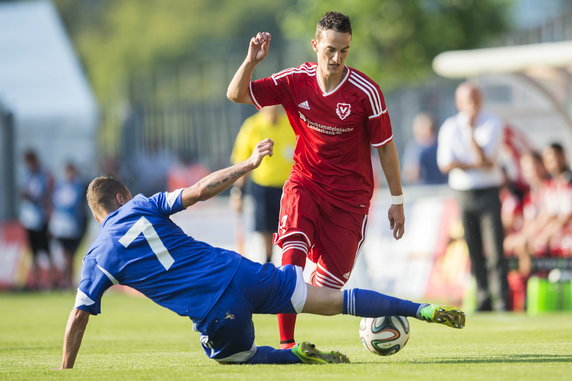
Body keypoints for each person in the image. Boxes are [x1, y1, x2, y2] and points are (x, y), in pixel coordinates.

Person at [59, 139, 465, 368]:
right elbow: (200, 190)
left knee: (230, 356)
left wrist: (65, 369)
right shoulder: (143, 205)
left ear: (98, 213)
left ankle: (296, 356)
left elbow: (79, 314)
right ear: (121, 196)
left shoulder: (98, 256)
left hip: (216, 309)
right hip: (242, 271)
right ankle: (421, 310)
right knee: (332, 302)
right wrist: (248, 164)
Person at [227, 11, 405, 349]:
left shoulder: (366, 92)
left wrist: (397, 200)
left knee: (327, 289)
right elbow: (236, 93)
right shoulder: (295, 81)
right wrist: (251, 61)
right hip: (305, 183)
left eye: (344, 51)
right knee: (291, 259)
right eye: (330, 50)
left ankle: (284, 297)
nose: (337, 58)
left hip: (349, 200)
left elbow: (386, 149)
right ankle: (287, 346)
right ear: (315, 46)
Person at [437, 82, 509, 312]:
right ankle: (483, 297)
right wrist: (474, 164)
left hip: (488, 191)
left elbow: (486, 161)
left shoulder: (493, 123)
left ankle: (502, 299)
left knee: (495, 248)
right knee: (474, 248)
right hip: (464, 193)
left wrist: (470, 133)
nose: (472, 105)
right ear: (459, 102)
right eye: (468, 99)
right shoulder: (449, 126)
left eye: (476, 98)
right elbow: (446, 164)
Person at [230, 105, 295, 262]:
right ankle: (268, 262)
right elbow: (242, 161)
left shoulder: (290, 124)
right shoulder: (252, 126)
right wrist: (238, 192)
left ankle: (290, 263)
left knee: (291, 228)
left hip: (290, 187)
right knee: (266, 229)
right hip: (263, 186)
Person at [19, 149, 54, 290]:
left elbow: (43, 195)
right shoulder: (27, 175)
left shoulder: (43, 175)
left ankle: (52, 281)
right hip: (30, 219)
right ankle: (35, 282)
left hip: (41, 218)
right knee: (33, 252)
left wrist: (30, 197)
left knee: (46, 250)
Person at [49, 162, 88, 289]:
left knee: (71, 254)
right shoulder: (60, 187)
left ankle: (68, 280)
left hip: (73, 225)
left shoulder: (78, 187)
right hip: (61, 226)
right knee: (65, 254)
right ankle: (64, 280)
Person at [402, 113, 447, 185]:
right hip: (422, 189)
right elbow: (409, 173)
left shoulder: (440, 144)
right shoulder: (413, 147)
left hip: (441, 187)